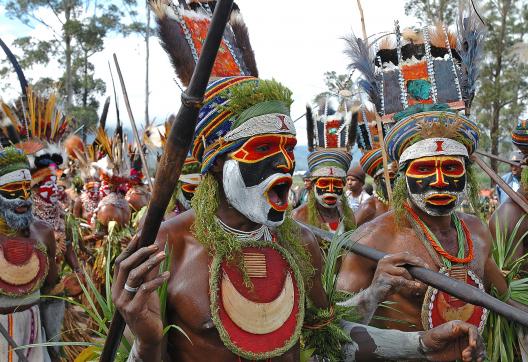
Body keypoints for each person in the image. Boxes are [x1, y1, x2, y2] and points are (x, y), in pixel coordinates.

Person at [112, 75, 485, 362]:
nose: (285, 164)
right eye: (262, 149)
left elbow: (329, 338)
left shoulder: (299, 243)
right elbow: (146, 350)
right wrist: (146, 344)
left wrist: (420, 342)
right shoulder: (165, 247)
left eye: (288, 149)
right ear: (215, 162)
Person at [338, 17, 527, 334]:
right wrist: (375, 293)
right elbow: (332, 329)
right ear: (402, 176)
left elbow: (506, 300)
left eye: (450, 168)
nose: (439, 180)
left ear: (466, 174)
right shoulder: (373, 239)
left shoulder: (477, 232)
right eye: (424, 168)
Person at [0, 146, 58, 361]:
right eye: (13, 189)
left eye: (27, 187)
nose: (23, 196)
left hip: (34, 330)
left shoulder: (43, 232)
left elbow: (52, 287)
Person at [292, 150, 356, 239]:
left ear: (343, 187)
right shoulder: (298, 216)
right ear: (313, 185)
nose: (330, 190)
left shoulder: (347, 213)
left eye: (337, 184)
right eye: (324, 183)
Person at [354, 148, 396, 226]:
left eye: (398, 175)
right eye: (390, 176)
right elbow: (346, 235)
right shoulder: (368, 208)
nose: (395, 181)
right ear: (377, 180)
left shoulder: (404, 202)